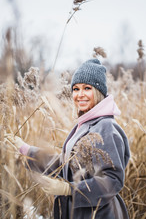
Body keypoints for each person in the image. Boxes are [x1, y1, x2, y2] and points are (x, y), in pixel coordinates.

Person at [9, 59, 130, 219]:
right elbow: (66, 163)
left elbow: (112, 180)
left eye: (87, 88)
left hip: (98, 214)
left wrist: (69, 189)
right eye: (76, 89)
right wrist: (27, 151)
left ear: (99, 92)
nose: (80, 94)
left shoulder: (106, 127)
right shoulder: (86, 123)